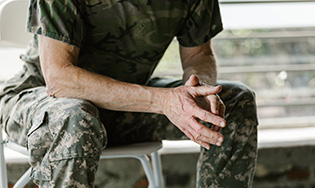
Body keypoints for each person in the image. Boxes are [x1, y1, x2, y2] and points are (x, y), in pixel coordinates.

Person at [0, 0, 258, 187]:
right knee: (75, 116)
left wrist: (198, 88)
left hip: (124, 105)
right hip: (42, 99)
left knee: (235, 101)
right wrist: (163, 101)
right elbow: (59, 79)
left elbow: (198, 53)